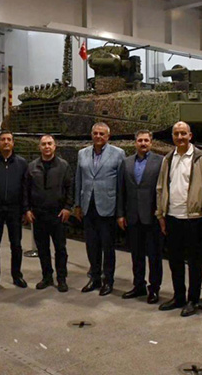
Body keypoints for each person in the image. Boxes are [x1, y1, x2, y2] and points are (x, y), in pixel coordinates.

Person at [155, 122, 202, 316]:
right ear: (172, 136)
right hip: (172, 216)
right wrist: (161, 214)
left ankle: (193, 300)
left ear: (190, 135)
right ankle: (178, 296)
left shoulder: (201, 158)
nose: (180, 137)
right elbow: (161, 187)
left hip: (193, 218)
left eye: (183, 133)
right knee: (175, 261)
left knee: (194, 262)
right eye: (176, 134)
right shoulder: (168, 159)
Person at [74, 122, 126, 296]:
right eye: (95, 133)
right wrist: (78, 204)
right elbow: (79, 180)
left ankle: (108, 280)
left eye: (102, 134)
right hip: (88, 207)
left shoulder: (118, 154)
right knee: (91, 246)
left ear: (108, 136)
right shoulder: (82, 153)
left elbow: (121, 185)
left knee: (107, 247)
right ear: (91, 134)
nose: (98, 136)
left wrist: (120, 211)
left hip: (108, 207)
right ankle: (95, 277)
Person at [117, 130, 164, 304]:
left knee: (154, 256)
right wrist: (120, 214)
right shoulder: (126, 162)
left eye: (146, 140)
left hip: (152, 216)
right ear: (135, 142)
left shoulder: (160, 162)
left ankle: (154, 289)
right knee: (136, 255)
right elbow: (121, 190)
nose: (143, 143)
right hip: (133, 216)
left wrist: (162, 214)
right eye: (140, 140)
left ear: (151, 142)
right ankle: (138, 286)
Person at [23, 134, 73, 292]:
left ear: (54, 146)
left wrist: (68, 207)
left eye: (49, 143)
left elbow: (70, 188)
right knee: (43, 249)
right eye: (44, 144)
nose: (47, 146)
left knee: (60, 249)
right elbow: (26, 190)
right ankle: (47, 277)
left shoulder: (63, 166)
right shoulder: (32, 167)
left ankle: (61, 278)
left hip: (58, 215)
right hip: (38, 214)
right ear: (39, 147)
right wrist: (27, 209)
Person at [0, 130, 28, 290]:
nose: (6, 142)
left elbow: (25, 188)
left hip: (15, 210)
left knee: (16, 245)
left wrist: (25, 209)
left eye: (9, 139)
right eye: (3, 139)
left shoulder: (22, 163)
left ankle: (17, 276)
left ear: (13, 143)